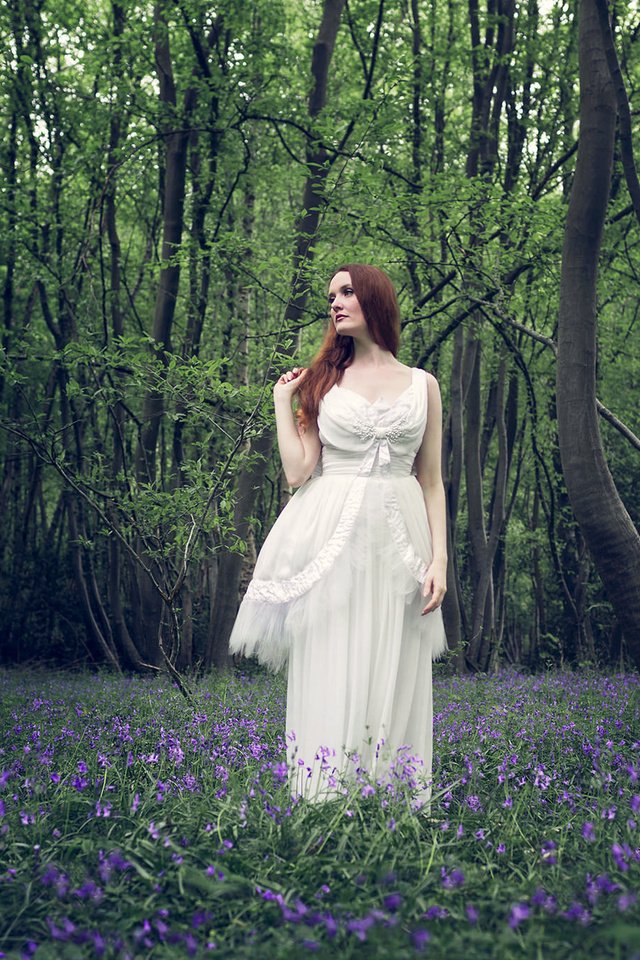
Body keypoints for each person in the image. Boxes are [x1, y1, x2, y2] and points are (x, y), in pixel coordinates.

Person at [229, 264, 448, 802]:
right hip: (333, 535)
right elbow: (298, 473)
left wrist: (440, 560)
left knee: (395, 662)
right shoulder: (322, 380)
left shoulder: (425, 385)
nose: (336, 302)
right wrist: (283, 404)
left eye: (346, 292)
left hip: (402, 539)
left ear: (375, 298)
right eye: (331, 295)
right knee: (331, 654)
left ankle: (393, 797)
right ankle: (323, 796)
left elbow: (433, 481)